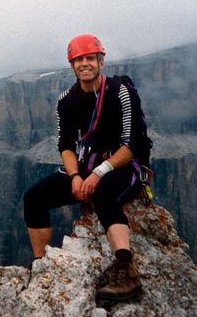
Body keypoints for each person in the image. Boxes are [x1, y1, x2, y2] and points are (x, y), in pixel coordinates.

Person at [23, 34, 144, 302]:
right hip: (85, 166)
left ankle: (126, 271)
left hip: (123, 166)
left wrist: (99, 173)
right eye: (78, 60)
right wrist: (76, 176)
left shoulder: (120, 92)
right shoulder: (67, 101)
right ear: (72, 65)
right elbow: (65, 144)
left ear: (101, 61)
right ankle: (40, 263)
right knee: (33, 198)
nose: (84, 64)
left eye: (90, 58)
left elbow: (132, 143)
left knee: (103, 194)